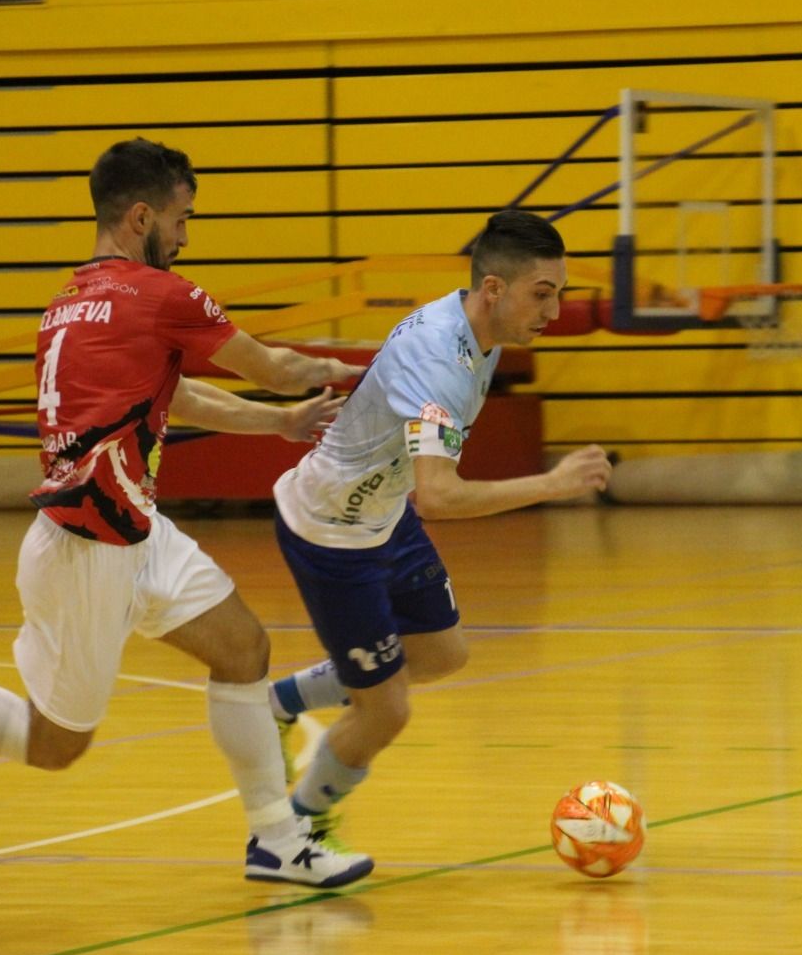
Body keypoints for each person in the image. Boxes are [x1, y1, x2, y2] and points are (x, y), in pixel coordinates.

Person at [0, 138, 374, 889]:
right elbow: (280, 366)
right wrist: (372, 371)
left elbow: (178, 396)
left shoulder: (69, 305)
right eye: (182, 218)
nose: (187, 236)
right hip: (87, 547)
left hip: (133, 531)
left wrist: (279, 425)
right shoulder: (165, 295)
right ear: (141, 217)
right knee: (55, 743)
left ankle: (276, 842)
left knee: (242, 649)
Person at [263, 210, 613, 843]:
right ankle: (297, 832)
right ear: (494, 289)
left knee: (440, 652)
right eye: (544, 294)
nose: (555, 312)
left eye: (559, 294)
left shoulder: (479, 327)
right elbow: (441, 496)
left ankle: (281, 703)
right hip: (333, 531)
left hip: (382, 513)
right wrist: (553, 485)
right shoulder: (441, 361)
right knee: (386, 710)